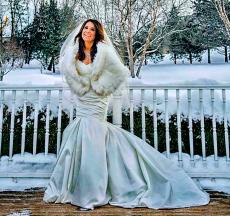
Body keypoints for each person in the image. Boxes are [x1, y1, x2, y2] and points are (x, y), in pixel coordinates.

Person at [43, 19, 210, 210]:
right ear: (81, 31)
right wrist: (81, 86)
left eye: (92, 29)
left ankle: (92, 196)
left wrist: (99, 86)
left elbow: (119, 74)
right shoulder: (73, 54)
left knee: (93, 137)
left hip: (98, 101)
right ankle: (78, 190)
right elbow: (71, 76)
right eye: (85, 28)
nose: (87, 31)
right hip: (83, 103)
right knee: (79, 136)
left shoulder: (103, 52)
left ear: (97, 33)